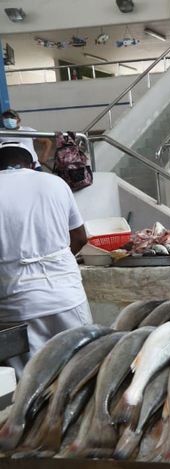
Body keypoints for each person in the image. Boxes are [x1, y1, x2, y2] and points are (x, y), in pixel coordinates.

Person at [0, 144, 92, 377]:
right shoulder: (55, 183)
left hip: (15, 304)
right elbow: (80, 237)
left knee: (31, 381)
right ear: (32, 165)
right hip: (66, 297)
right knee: (82, 369)